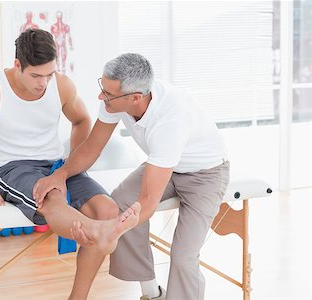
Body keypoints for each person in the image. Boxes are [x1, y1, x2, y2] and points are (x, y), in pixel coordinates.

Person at [0, 29, 141, 300]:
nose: (43, 83)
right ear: (18, 65)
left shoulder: (60, 84)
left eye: (49, 74)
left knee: (107, 209)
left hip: (56, 166)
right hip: (13, 169)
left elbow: (82, 120)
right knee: (51, 196)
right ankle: (99, 232)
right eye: (36, 76)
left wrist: (73, 166)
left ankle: (79, 294)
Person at [33, 53, 230, 300]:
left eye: (108, 94)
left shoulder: (170, 121)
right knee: (121, 203)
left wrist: (109, 232)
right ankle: (152, 292)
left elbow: (146, 203)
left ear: (135, 97)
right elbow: (93, 146)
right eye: (102, 88)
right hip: (165, 165)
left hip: (205, 174)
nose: (100, 96)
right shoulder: (115, 98)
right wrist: (60, 175)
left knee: (183, 255)